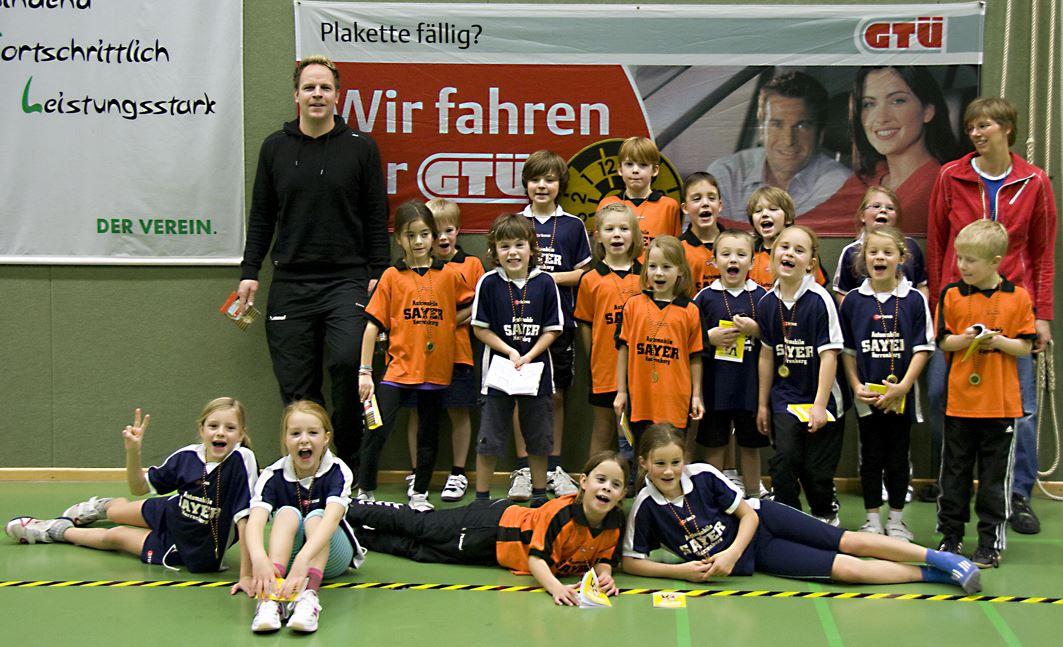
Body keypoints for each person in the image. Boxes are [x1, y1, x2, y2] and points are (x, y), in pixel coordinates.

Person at [235, 55, 389, 469]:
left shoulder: (360, 147)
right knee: (297, 384)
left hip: (347, 280)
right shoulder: (275, 148)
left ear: (337, 96)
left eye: (325, 88)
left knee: (348, 364)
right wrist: (250, 272)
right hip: (291, 282)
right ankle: (309, 467)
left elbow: (377, 216)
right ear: (296, 95)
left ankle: (348, 466)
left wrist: (379, 272)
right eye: (309, 87)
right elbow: (262, 216)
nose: (317, 94)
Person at [622, 425, 981, 593]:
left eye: (675, 462)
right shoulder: (645, 507)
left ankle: (941, 559)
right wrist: (681, 572)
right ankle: (934, 576)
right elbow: (632, 562)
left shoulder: (702, 475)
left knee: (850, 542)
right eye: (660, 464)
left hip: (764, 522)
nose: (669, 471)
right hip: (761, 556)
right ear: (644, 463)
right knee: (847, 571)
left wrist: (730, 554)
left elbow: (748, 515)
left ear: (684, 460)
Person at [926, 97, 1057, 534]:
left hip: (1012, 308)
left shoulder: (1034, 181)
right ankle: (953, 484)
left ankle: (1016, 495)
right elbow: (937, 245)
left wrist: (1042, 314)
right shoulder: (951, 176)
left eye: (984, 126)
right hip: (958, 305)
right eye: (971, 127)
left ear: (1006, 128)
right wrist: (938, 305)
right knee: (940, 394)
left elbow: (1043, 252)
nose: (976, 134)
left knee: (1021, 407)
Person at [6, 400, 259, 581]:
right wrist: (133, 451)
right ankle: (100, 507)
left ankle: (54, 531)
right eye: (213, 426)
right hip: (173, 511)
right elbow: (139, 488)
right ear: (201, 430)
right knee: (119, 511)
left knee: (114, 536)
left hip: (191, 547)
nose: (220, 433)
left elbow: (245, 520)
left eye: (230, 428)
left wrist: (246, 576)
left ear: (241, 434)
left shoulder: (242, 460)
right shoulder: (187, 456)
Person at [346, 451, 628, 606]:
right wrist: (556, 588)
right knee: (421, 526)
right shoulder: (560, 514)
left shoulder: (614, 523)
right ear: (583, 482)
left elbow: (603, 558)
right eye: (601, 479)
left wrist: (604, 576)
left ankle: (354, 537)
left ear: (622, 494)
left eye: (615, 485)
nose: (606, 488)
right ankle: (347, 508)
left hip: (493, 554)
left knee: (419, 552)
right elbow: (536, 559)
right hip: (490, 524)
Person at [356, 201, 474, 511]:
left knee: (428, 436)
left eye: (424, 234)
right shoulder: (391, 277)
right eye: (411, 235)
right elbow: (372, 326)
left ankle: (420, 493)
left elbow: (472, 305)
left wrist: (449, 323)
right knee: (376, 428)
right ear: (399, 239)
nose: (419, 241)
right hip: (398, 371)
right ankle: (365, 491)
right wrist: (365, 372)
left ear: (433, 236)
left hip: (435, 373)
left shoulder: (449, 276)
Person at [935, 221, 1036, 568]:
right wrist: (965, 339)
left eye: (971, 260)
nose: (962, 266)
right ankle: (950, 535)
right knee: (954, 475)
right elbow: (944, 341)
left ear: (995, 261)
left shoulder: (1018, 297)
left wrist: (997, 340)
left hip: (1000, 407)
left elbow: (1025, 347)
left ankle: (990, 541)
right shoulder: (951, 294)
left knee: (994, 479)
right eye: (960, 258)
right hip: (960, 405)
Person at [839, 226, 934, 540]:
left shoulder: (914, 300)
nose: (879, 257)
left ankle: (896, 520)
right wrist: (855, 386)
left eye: (887, 252)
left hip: (901, 397)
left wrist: (903, 386)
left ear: (901, 258)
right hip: (867, 398)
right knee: (870, 457)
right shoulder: (853, 301)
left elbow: (923, 348)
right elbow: (847, 351)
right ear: (863, 258)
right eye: (873, 252)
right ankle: (871, 520)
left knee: (898, 457)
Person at [509, 150, 592, 501]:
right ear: (525, 184)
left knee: (555, 396)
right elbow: (502, 269)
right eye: (535, 179)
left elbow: (583, 274)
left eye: (549, 179)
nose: (542, 186)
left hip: (560, 323)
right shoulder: (515, 222)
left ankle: (555, 468)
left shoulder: (572, 225)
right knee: (520, 395)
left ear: (560, 184)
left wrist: (547, 279)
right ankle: (523, 469)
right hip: (518, 324)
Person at [246, 401, 365, 633]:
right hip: (289, 562)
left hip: (331, 558)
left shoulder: (338, 471)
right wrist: (258, 559)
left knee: (317, 516)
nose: (304, 440)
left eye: (312, 432)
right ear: (285, 439)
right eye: (295, 433)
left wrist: (303, 558)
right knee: (286, 513)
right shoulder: (273, 475)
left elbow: (332, 520)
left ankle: (308, 597)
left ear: (326, 438)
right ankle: (271, 598)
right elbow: (255, 521)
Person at [754, 225, 845, 525]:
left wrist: (819, 405)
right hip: (785, 397)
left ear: (811, 263)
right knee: (784, 460)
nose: (790, 253)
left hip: (822, 397)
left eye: (799, 250)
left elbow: (829, 355)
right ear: (773, 254)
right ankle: (790, 520)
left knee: (816, 471)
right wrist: (763, 404)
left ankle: (825, 514)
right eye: (784, 247)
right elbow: (767, 355)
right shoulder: (767, 303)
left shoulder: (821, 300)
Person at [471, 214, 563, 506]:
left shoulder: (545, 282)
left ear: (531, 248)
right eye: (505, 246)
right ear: (494, 251)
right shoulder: (488, 283)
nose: (512, 252)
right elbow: (480, 328)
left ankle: (539, 496)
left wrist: (530, 354)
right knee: (489, 438)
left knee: (538, 437)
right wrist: (509, 351)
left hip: (536, 372)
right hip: (498, 374)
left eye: (519, 245)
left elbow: (553, 329)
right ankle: (481, 500)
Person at [401, 198, 485, 503]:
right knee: (417, 413)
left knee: (458, 410)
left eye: (448, 230)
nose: (442, 237)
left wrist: (447, 323)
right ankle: (417, 473)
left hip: (457, 353)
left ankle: (458, 473)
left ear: (458, 230)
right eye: (434, 232)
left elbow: (478, 307)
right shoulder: (410, 269)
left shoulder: (471, 265)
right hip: (418, 358)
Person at [709, 71, 852, 224]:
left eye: (801, 126)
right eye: (776, 124)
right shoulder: (728, 173)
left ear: (819, 134)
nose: (788, 140)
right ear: (761, 129)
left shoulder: (839, 184)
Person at [614, 236, 705, 459]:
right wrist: (621, 391)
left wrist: (696, 395)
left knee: (671, 458)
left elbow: (695, 356)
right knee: (643, 458)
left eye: (666, 267)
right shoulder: (633, 305)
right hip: (641, 398)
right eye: (652, 266)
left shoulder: (690, 310)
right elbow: (623, 350)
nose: (659, 273)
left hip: (675, 400)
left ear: (680, 270)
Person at [694, 230, 767, 496]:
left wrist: (756, 330)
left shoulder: (762, 297)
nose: (733, 260)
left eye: (740, 254)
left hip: (750, 388)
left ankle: (754, 496)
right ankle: (713, 498)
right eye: (725, 254)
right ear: (714, 261)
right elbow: (690, 340)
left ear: (752, 261)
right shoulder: (704, 298)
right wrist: (708, 338)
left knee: (750, 447)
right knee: (715, 445)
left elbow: (774, 340)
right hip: (716, 389)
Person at [850, 66, 959, 235]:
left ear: (927, 111)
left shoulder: (939, 188)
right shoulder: (864, 179)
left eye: (897, 101)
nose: (881, 118)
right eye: (869, 104)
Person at [574, 203, 644, 455]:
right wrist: (594, 358)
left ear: (634, 235)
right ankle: (595, 476)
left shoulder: (647, 276)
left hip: (641, 368)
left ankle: (637, 477)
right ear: (598, 236)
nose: (617, 234)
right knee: (604, 430)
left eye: (624, 229)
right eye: (610, 229)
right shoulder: (590, 279)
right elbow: (585, 325)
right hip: (605, 369)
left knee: (640, 433)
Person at [833, 185, 929, 302]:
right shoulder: (851, 252)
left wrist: (920, 309)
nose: (883, 210)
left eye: (890, 208)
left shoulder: (910, 247)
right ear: (862, 216)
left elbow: (921, 286)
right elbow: (843, 293)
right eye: (876, 206)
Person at [597, 136, 682, 252]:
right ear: (620, 169)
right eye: (629, 164)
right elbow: (601, 249)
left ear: (655, 170)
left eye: (643, 164)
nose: (635, 170)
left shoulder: (669, 206)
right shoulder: (607, 205)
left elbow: (676, 251)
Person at [746, 187, 829, 290]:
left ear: (788, 218)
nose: (764, 214)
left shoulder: (803, 252)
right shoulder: (748, 253)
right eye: (758, 211)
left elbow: (818, 287)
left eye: (773, 209)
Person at [679, 172, 725, 293]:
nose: (705, 203)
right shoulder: (678, 249)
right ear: (685, 208)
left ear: (720, 205)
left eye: (711, 198)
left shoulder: (736, 243)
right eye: (697, 199)